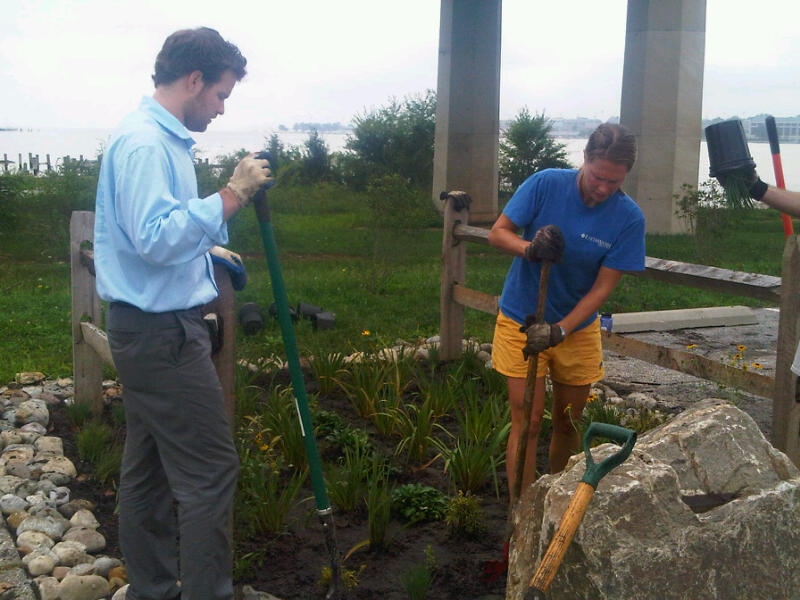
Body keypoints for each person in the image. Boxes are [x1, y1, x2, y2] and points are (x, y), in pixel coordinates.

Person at [93, 27, 272, 600]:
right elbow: (154, 239)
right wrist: (232, 195)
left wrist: (207, 246)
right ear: (194, 80)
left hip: (146, 330)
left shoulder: (156, 139)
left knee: (146, 474)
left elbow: (160, 233)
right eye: (220, 94)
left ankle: (152, 591)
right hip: (163, 335)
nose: (221, 109)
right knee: (211, 473)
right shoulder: (147, 144)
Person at [488, 123, 645, 495]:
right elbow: (498, 232)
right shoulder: (546, 184)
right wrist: (530, 249)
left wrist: (560, 329)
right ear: (585, 159)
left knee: (568, 423)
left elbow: (602, 287)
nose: (604, 188)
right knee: (526, 423)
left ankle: (555, 500)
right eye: (598, 177)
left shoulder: (628, 217)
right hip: (522, 320)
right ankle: (523, 512)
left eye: (615, 182)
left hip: (577, 328)